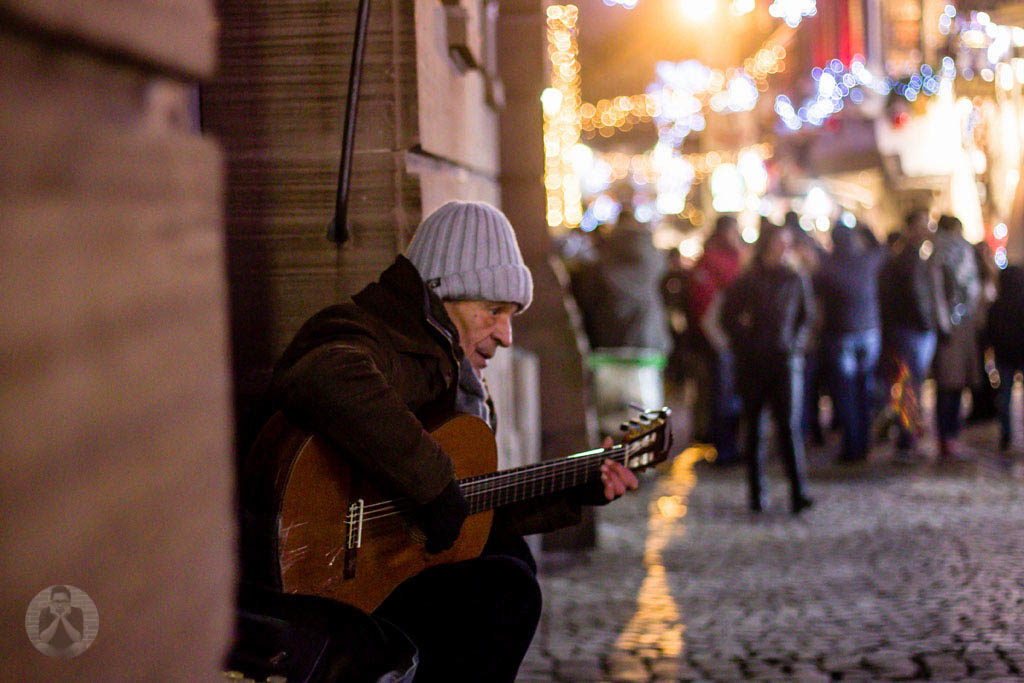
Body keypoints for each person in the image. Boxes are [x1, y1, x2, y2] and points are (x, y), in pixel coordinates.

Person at [253, 200, 640, 681]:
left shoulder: (453, 374)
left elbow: (466, 508)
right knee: (504, 588)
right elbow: (326, 374)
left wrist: (576, 486)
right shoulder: (370, 330)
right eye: (494, 311)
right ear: (441, 295)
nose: (506, 335)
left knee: (507, 560)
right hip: (321, 572)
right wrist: (431, 483)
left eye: (512, 315)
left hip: (383, 566)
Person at [721, 222, 814, 514]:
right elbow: (728, 316)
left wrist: (795, 345)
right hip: (754, 363)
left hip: (785, 361)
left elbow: (806, 317)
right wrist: (746, 341)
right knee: (755, 428)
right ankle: (756, 493)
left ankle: (798, 492)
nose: (783, 248)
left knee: (788, 427)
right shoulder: (748, 279)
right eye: (779, 243)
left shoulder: (794, 279)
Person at [814, 221, 884, 462]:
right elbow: (881, 248)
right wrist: (866, 228)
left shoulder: (828, 267)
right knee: (864, 392)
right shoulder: (867, 261)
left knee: (846, 394)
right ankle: (864, 444)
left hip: (841, 334)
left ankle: (852, 446)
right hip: (869, 332)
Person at [877, 210, 942, 459]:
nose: (929, 228)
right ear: (912, 227)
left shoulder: (908, 255)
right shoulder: (909, 257)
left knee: (910, 385)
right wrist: (928, 324)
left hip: (909, 329)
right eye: (925, 223)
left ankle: (908, 437)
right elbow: (916, 296)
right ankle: (907, 439)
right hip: (913, 330)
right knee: (910, 386)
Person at [688, 214, 745, 464]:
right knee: (722, 396)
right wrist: (720, 341)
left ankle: (729, 444)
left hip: (733, 341)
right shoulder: (711, 260)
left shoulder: (734, 257)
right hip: (721, 342)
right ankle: (724, 448)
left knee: (729, 396)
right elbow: (704, 307)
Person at [931, 214, 982, 460]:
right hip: (956, 326)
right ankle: (949, 434)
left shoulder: (939, 254)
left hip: (952, 326)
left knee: (950, 383)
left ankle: (948, 435)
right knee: (951, 383)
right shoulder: (954, 253)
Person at [985, 264, 1024, 452]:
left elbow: (990, 333)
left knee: (1005, 396)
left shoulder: (996, 306)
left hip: (1004, 356)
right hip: (1019, 354)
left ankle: (1006, 435)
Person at [37, 585, 84, 658]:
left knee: (80, 646)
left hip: (70, 649)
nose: (60, 605)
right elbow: (44, 639)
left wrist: (63, 618)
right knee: (41, 646)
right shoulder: (45, 611)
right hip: (52, 649)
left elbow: (77, 639)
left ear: (69, 602)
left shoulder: (77, 611)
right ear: (51, 602)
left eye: (64, 601)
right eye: (56, 601)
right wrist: (57, 618)